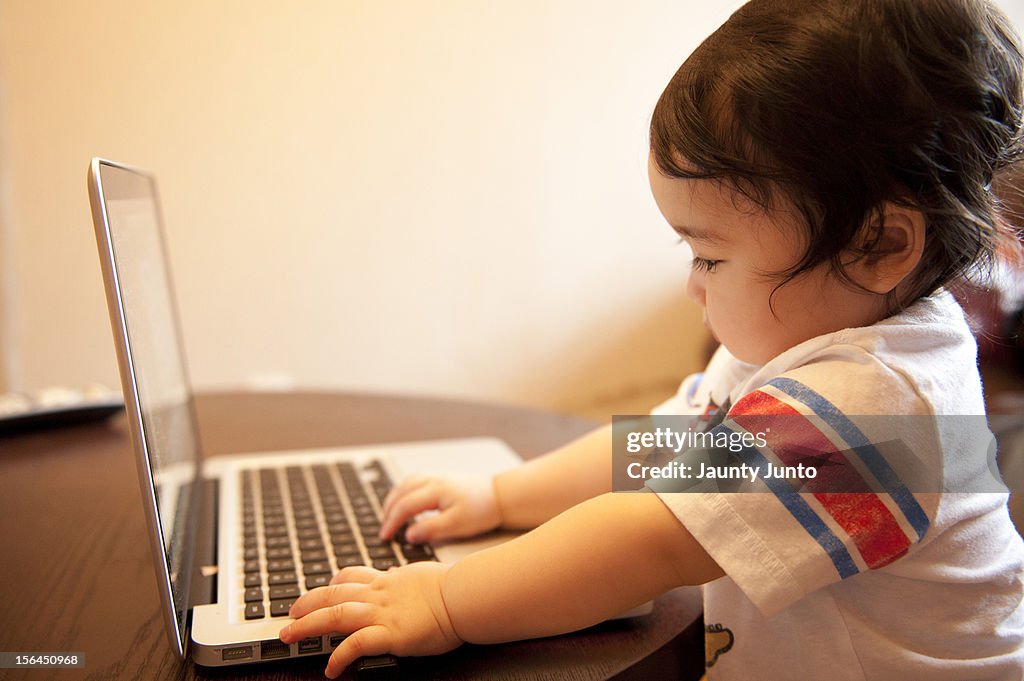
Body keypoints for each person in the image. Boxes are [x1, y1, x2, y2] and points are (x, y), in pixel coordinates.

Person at [279, 0, 1024, 677]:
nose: (692, 285)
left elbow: (651, 536)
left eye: (708, 255)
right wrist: (500, 495)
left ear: (879, 245)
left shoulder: (876, 410)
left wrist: (446, 601)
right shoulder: (807, 342)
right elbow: (659, 447)